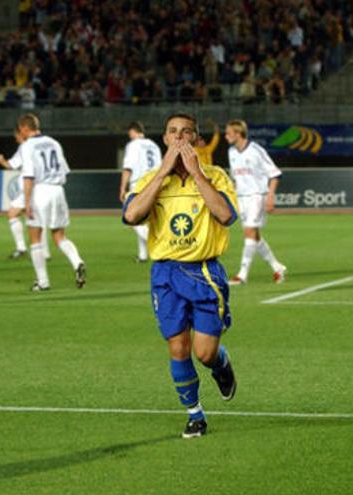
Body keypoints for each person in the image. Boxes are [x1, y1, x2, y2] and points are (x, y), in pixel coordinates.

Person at [122, 113, 238, 438]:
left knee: (204, 352)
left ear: (196, 140)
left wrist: (198, 175)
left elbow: (226, 215)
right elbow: (131, 215)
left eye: (186, 132)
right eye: (172, 132)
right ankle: (195, 413)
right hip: (166, 273)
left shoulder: (215, 176)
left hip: (204, 271)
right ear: (165, 139)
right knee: (177, 347)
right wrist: (161, 173)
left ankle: (220, 364)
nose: (178, 137)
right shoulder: (151, 180)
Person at [16, 113, 86, 291]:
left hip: (40, 191)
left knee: (35, 237)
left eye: (20, 129)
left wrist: (26, 202)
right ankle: (77, 261)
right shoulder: (54, 142)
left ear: (25, 128)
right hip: (58, 191)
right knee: (59, 236)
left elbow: (29, 177)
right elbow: (65, 171)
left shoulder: (27, 146)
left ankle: (42, 281)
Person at [223, 119, 287, 285]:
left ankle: (242, 275)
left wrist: (271, 196)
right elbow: (236, 179)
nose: (226, 136)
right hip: (242, 198)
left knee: (249, 233)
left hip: (257, 196)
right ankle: (277, 267)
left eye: (229, 133)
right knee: (254, 236)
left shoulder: (256, 150)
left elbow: (274, 174)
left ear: (238, 133)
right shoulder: (232, 152)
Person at [0, 126, 50, 260]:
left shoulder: (25, 147)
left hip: (31, 186)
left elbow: (12, 165)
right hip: (42, 185)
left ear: (23, 133)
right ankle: (45, 252)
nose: (16, 139)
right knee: (35, 219)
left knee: (12, 213)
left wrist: (1, 160)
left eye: (17, 136)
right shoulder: (42, 144)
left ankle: (22, 248)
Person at [118, 121, 162, 262]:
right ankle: (142, 255)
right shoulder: (154, 145)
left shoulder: (133, 145)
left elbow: (128, 167)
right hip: (154, 183)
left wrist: (122, 187)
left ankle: (160, 246)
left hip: (139, 184)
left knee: (132, 219)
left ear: (133, 131)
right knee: (144, 220)